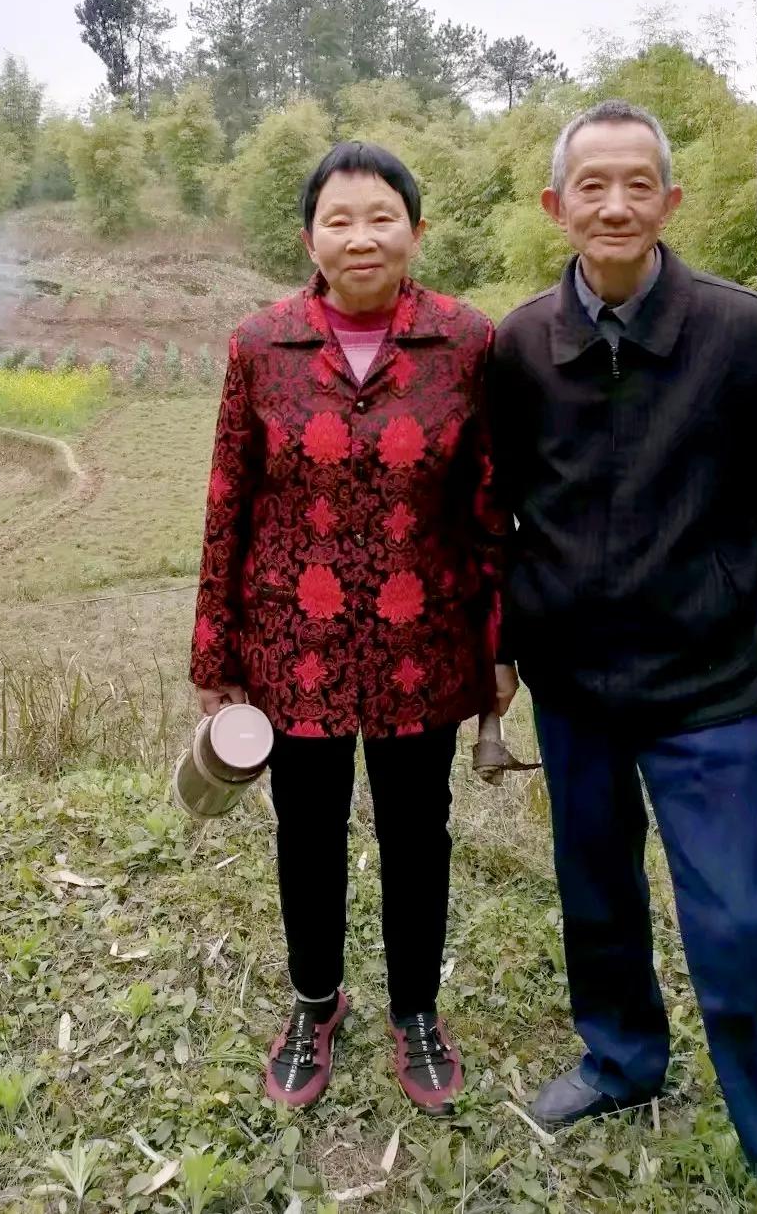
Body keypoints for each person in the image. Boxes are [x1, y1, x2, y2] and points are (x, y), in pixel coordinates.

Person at [488, 99, 757, 1214]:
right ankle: (619, 1058)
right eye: (589, 186)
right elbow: (504, 503)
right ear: (555, 206)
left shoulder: (746, 336)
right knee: (594, 891)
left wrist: (717, 601)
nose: (613, 205)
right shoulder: (517, 346)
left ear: (669, 200)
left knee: (738, 923)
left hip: (700, 689)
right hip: (572, 682)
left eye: (635, 184)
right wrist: (519, 638)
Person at [190, 141, 507, 1113]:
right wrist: (216, 650)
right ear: (309, 237)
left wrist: (502, 646)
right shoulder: (260, 345)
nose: (361, 236)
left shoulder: (467, 344)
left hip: (425, 644)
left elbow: (492, 503)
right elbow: (227, 499)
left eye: (381, 217)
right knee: (307, 830)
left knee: (419, 832)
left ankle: (414, 1008)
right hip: (296, 647)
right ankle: (313, 1005)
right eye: (339, 218)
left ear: (415, 230)